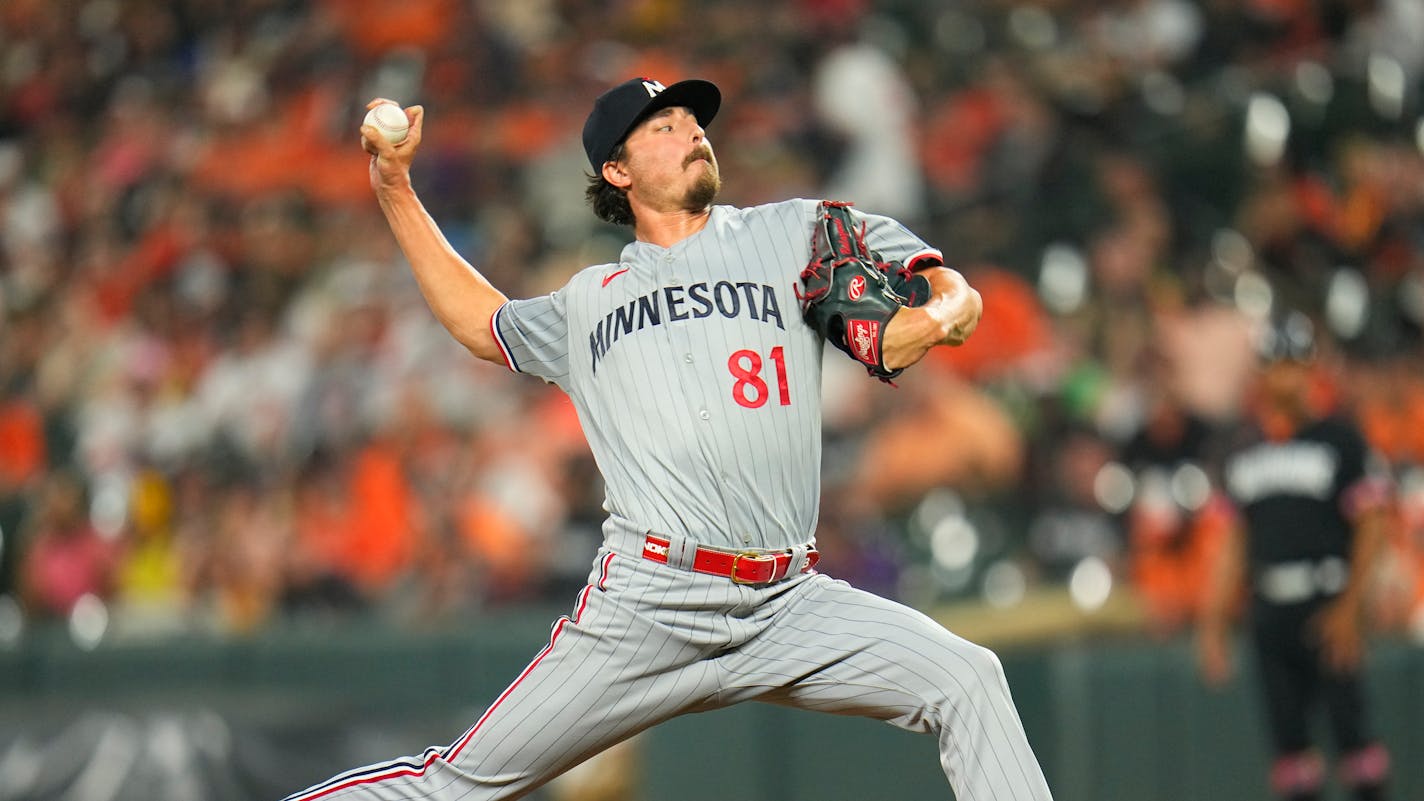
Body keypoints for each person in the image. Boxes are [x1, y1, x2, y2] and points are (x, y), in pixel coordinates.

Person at [283, 76, 1054, 801]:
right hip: (650, 606)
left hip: (788, 600)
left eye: (693, 121)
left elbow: (928, 290)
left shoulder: (794, 232)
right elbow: (481, 322)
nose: (692, 131)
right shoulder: (590, 301)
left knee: (967, 677)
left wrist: (951, 304)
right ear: (616, 170)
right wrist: (395, 190)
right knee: (459, 782)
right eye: (664, 126)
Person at [1197, 312, 1392, 801]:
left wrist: (1351, 607)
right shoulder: (1242, 446)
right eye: (1275, 364)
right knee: (1291, 755)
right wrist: (1214, 622)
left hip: (1326, 598)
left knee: (1357, 749)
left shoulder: (1340, 438)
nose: (1285, 375)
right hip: (1270, 608)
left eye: (1294, 363)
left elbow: (1373, 525)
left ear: (1311, 369)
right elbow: (1235, 543)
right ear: (1261, 372)